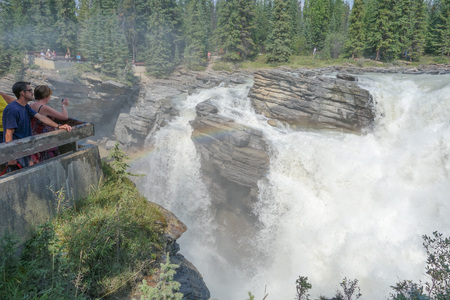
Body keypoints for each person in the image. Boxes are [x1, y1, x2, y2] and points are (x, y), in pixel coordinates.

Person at [2, 81, 72, 170]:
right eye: (30, 90)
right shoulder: (12, 109)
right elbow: (8, 133)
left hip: (25, 148)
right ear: (22, 93)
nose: (32, 92)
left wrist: (58, 126)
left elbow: (41, 117)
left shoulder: (26, 106)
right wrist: (11, 157)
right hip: (16, 151)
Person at [30, 85, 69, 162]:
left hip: (34, 135)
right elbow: (65, 117)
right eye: (49, 95)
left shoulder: (31, 105)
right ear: (45, 96)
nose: (50, 97)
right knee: (48, 160)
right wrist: (63, 105)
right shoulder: (44, 107)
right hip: (45, 139)